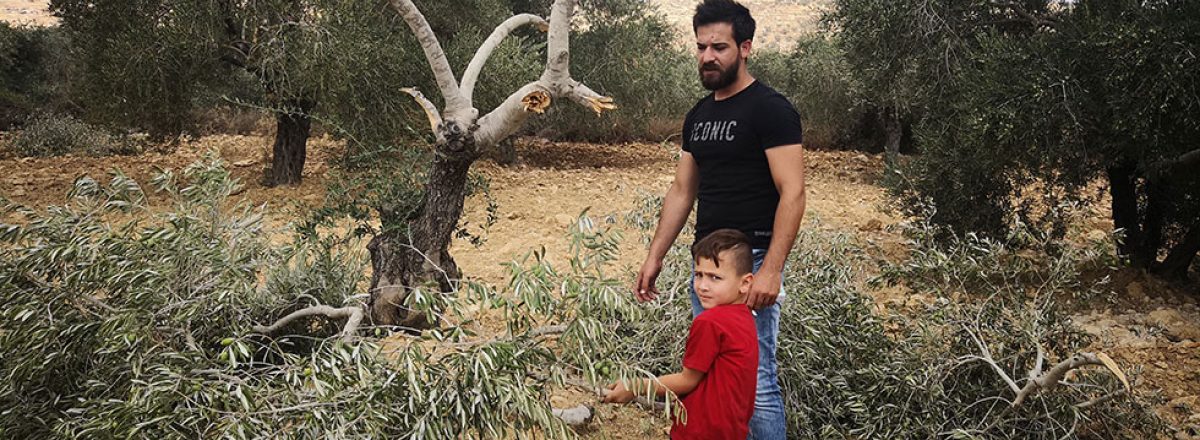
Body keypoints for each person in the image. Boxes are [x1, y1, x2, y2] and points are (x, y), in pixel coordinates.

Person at [632, 0, 806, 438]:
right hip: (708, 266)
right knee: (713, 375)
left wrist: (771, 271)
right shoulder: (699, 115)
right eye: (701, 47)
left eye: (719, 47)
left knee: (759, 382)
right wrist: (656, 256)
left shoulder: (771, 109)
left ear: (745, 48)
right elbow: (682, 191)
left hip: (750, 267)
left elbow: (794, 192)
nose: (708, 56)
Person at [605, 229, 759, 439]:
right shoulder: (745, 317)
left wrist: (635, 386)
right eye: (698, 275)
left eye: (715, 278)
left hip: (700, 431)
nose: (703, 286)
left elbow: (688, 380)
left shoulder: (710, 322)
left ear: (745, 283)